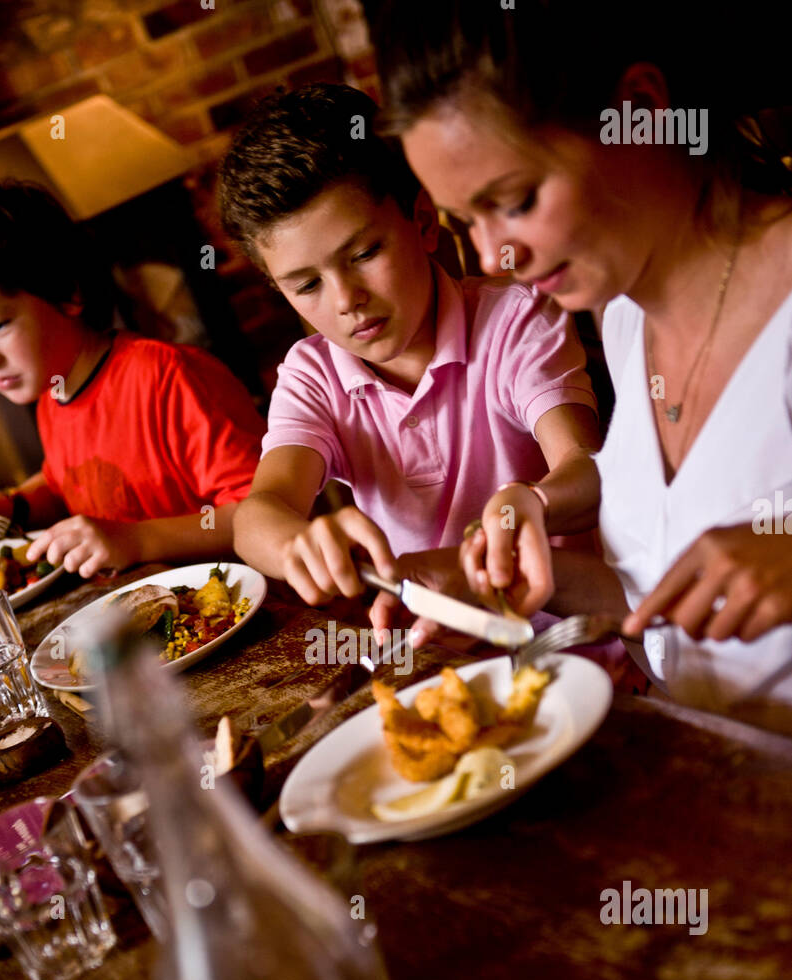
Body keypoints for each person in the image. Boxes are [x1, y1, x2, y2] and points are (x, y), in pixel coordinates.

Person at [372, 0, 792, 729]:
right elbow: (660, 600)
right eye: (464, 220)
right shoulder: (623, 315)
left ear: (639, 109)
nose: (493, 257)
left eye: (514, 200)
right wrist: (483, 583)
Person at [221, 84, 601, 638]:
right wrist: (297, 543)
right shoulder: (313, 375)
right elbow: (257, 517)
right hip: (439, 664)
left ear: (423, 221)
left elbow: (586, 467)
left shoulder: (515, 320)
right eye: (306, 284)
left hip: (576, 646)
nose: (346, 299)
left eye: (364, 254)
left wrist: (533, 502)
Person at [0, 179, 264, 578]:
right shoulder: (55, 396)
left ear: (68, 292)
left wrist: (136, 540)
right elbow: (67, 487)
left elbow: (261, 515)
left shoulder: (169, 378)